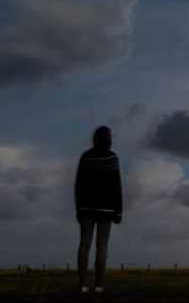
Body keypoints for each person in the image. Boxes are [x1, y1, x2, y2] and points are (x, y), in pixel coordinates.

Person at [75, 126, 122, 294]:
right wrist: (118, 211)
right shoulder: (112, 157)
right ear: (109, 139)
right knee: (102, 245)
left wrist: (79, 209)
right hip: (106, 208)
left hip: (86, 207)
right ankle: (99, 285)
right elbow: (117, 186)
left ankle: (82, 285)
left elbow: (78, 186)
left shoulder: (86, 157)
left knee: (84, 244)